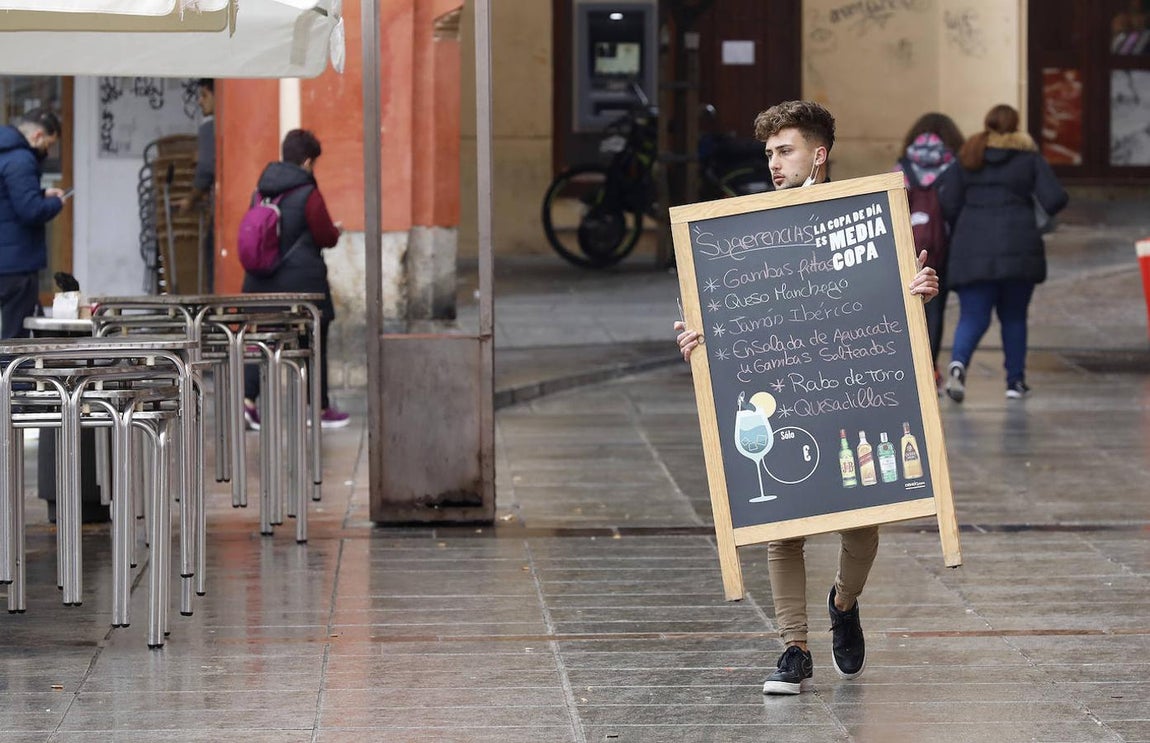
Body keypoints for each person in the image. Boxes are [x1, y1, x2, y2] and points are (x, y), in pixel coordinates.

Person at [674, 100, 939, 695]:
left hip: (848, 388)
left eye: (785, 150)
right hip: (774, 390)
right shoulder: (741, 230)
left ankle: (843, 605)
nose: (773, 161)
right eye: (768, 152)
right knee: (779, 525)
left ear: (818, 155)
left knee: (864, 526)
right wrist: (694, 336)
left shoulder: (865, 222)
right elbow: (715, 312)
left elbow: (885, 303)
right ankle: (793, 647)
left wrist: (916, 290)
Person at [937, 104, 1068, 402]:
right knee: (1014, 317)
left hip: (972, 247)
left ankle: (958, 365)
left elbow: (948, 201)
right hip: (1019, 246)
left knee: (972, 315)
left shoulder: (969, 156)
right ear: (1016, 125)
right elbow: (1055, 198)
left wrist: (967, 223)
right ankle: (1014, 382)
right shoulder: (1029, 158)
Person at [242, 129, 349, 429]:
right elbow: (325, 236)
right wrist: (336, 231)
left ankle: (247, 403)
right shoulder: (308, 194)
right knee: (314, 336)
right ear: (306, 161)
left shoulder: (260, 191)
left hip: (259, 282)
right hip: (303, 285)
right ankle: (317, 407)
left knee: (260, 340)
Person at [896, 112, 964, 390]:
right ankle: (931, 369)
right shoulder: (954, 165)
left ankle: (910, 368)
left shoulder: (903, 166)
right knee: (935, 307)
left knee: (908, 306)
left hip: (908, 246)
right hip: (943, 246)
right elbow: (957, 206)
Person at [0, 108, 66, 339]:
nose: (46, 152)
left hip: (6, 260)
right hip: (17, 266)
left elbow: (8, 198)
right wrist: (57, 203)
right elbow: (30, 211)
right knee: (14, 338)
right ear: (38, 136)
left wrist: (41, 192)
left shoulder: (5, 153)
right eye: (48, 145)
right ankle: (7, 375)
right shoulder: (21, 160)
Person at [178, 78, 216, 291]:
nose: (200, 102)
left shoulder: (210, 127)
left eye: (204, 95)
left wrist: (190, 199)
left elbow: (205, 171)